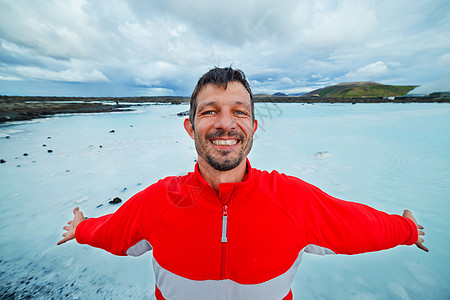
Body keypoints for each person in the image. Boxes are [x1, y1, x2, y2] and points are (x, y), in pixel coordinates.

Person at [58, 67, 428, 300]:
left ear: (253, 126)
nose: (225, 124)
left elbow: (357, 226)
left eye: (239, 111)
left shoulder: (293, 200)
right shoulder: (158, 201)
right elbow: (113, 233)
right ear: (190, 127)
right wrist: (83, 228)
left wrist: (406, 229)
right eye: (209, 112)